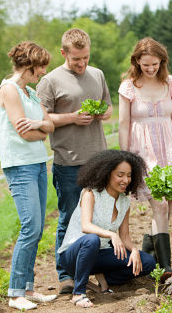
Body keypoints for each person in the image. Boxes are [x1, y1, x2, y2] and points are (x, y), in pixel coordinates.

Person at [36, 28, 113, 294]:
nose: (82, 64)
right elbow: (43, 119)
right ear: (63, 53)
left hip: (98, 159)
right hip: (68, 161)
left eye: (86, 58)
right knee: (69, 218)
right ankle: (66, 275)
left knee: (100, 219)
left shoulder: (98, 74)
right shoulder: (49, 81)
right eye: (76, 59)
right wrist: (72, 117)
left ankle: (95, 269)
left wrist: (102, 114)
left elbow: (109, 107)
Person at [0, 41, 57, 311]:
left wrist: (42, 125)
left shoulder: (29, 92)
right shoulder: (9, 90)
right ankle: (15, 293)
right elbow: (25, 132)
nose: (42, 73)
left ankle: (28, 288)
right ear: (28, 66)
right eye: (40, 68)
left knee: (38, 227)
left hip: (38, 163)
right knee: (30, 226)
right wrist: (41, 129)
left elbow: (49, 125)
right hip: (19, 165)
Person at [118, 37, 172, 281]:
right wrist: (124, 158)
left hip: (170, 148)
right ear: (137, 62)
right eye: (145, 64)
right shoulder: (129, 87)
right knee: (160, 205)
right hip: (143, 152)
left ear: (161, 62)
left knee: (170, 204)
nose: (150, 69)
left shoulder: (170, 84)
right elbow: (124, 124)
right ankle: (165, 267)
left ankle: (149, 252)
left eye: (154, 64)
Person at [57, 150, 156, 308]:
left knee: (148, 262)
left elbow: (124, 237)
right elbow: (86, 226)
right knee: (92, 239)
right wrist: (111, 235)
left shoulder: (124, 201)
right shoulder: (91, 193)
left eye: (129, 175)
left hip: (99, 254)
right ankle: (78, 293)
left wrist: (135, 250)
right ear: (107, 174)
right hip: (74, 255)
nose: (126, 180)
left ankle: (107, 279)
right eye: (120, 175)